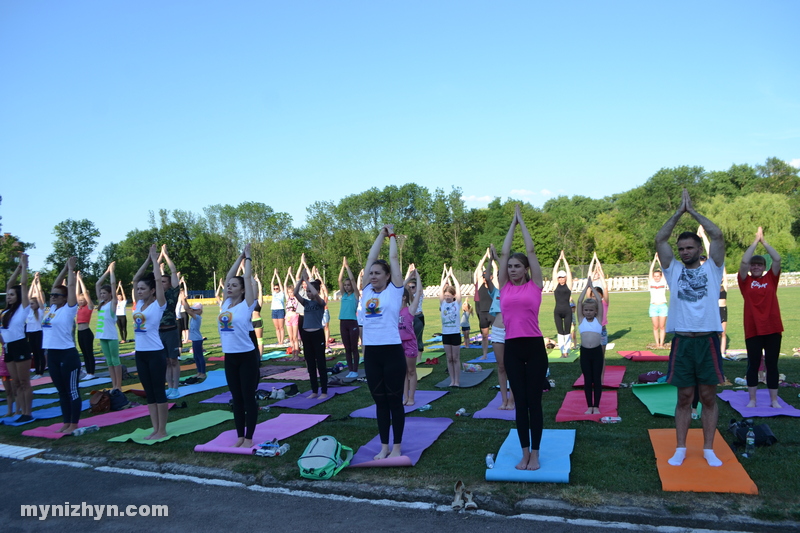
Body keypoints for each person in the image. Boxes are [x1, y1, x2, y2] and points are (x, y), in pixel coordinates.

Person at [655, 188, 725, 468]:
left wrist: (693, 211)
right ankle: (681, 447)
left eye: (689, 248)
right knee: (684, 397)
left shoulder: (713, 268)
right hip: (683, 342)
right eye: (681, 248)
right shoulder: (672, 269)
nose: (684, 252)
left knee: (708, 396)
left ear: (699, 249)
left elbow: (718, 235)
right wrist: (678, 213)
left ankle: (708, 448)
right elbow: (660, 238)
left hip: (706, 340)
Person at [499, 205, 547, 471]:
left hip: (534, 345)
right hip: (513, 347)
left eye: (517, 266)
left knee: (534, 402)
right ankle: (524, 453)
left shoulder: (535, 285)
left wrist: (522, 222)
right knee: (520, 403)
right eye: (510, 267)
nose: (513, 269)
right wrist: (511, 226)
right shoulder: (504, 287)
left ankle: (536, 453)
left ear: (526, 269)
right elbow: (504, 252)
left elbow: (530, 251)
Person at [361, 224, 405, 460]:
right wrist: (380, 234)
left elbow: (393, 257)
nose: (373, 276)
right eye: (371, 273)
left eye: (378, 273)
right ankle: (384, 446)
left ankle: (397, 445)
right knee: (379, 402)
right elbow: (371, 257)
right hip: (372, 354)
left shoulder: (395, 290)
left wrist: (392, 237)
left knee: (394, 400)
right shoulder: (366, 291)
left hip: (392, 352)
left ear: (388, 276)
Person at [739, 227, 783, 409]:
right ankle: (753, 400)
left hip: (773, 328)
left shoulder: (771, 279)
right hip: (753, 329)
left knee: (772, 365)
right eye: (753, 264)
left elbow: (777, 259)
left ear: (764, 268)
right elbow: (742, 261)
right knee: (753, 364)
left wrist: (764, 242)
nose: (755, 266)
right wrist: (755, 242)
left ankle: (774, 401)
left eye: (759, 265)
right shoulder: (744, 281)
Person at [219, 245, 259, 447]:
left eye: (234, 286)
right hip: (230, 357)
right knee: (236, 398)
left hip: (247, 357)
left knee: (248, 397)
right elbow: (229, 275)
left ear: (243, 290)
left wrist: (248, 259)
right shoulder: (225, 304)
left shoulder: (247, 304)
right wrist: (239, 257)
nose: (229, 287)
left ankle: (249, 437)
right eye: (229, 285)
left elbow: (248, 276)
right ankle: (240, 436)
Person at [132, 245, 169, 440]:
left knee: (158, 391)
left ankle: (162, 429)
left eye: (142, 289)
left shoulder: (159, 304)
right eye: (138, 289)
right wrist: (147, 259)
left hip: (155, 353)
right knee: (149, 393)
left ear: (153, 290)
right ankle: (154, 428)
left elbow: (156, 279)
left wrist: (155, 261)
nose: (138, 290)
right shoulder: (138, 304)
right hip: (141, 353)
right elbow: (136, 279)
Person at [42, 257, 82, 432]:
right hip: (52, 354)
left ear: (65, 298)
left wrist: (71, 270)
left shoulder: (69, 308)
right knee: (61, 391)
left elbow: (71, 287)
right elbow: (55, 285)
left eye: (56, 295)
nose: (52, 297)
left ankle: (73, 423)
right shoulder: (51, 310)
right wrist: (64, 268)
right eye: (51, 295)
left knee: (72, 390)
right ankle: (66, 422)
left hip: (67, 354)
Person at [2, 253, 33, 421]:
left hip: (20, 345)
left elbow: (23, 283)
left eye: (12, 295)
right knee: (15, 383)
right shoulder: (6, 311)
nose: (9, 296)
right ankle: (20, 411)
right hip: (8, 347)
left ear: (19, 297)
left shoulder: (23, 308)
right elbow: (9, 284)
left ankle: (27, 413)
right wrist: (18, 267)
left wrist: (24, 267)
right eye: (8, 295)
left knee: (24, 381)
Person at [295, 268, 328, 399]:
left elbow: (315, 293)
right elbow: (296, 293)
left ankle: (324, 391)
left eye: (310, 291)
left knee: (321, 363)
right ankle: (314, 390)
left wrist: (308, 281)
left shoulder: (320, 302)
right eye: (307, 292)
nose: (308, 293)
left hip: (317, 334)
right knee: (310, 364)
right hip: (306, 335)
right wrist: (301, 280)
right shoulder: (306, 303)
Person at [154, 245, 182, 399]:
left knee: (173, 360)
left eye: (165, 282)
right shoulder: (155, 295)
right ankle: (169, 387)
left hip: (170, 330)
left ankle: (176, 387)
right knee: (165, 361)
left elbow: (173, 271)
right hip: (159, 332)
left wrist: (165, 255)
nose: (162, 283)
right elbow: (155, 274)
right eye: (161, 281)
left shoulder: (173, 293)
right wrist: (157, 260)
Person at [488, 244, 513, 410]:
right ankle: (503, 399)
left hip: (512, 331)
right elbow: (487, 275)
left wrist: (499, 257)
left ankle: (512, 400)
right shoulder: (495, 291)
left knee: (513, 367)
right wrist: (491, 259)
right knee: (501, 366)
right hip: (497, 331)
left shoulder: (513, 289)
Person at [577, 277, 605, 415]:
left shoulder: (598, 320)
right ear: (583, 311)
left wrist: (592, 287)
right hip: (585, 353)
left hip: (596, 352)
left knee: (597, 380)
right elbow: (578, 301)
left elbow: (599, 301)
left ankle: (597, 406)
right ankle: (589, 406)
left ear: (595, 312)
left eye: (590, 310)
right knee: (587, 379)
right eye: (586, 310)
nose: (588, 312)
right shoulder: (581, 320)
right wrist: (585, 287)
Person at [95, 262, 122, 392]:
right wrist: (107, 271)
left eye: (104, 293)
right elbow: (97, 284)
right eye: (101, 293)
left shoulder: (112, 303)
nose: (102, 295)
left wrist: (112, 272)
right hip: (102, 336)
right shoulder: (101, 304)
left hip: (111, 336)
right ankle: (114, 385)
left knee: (115, 361)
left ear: (110, 294)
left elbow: (113, 285)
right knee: (109, 362)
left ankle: (118, 386)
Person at [400, 266, 422, 406]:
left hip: (410, 344)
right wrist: (408, 277)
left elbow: (418, 292)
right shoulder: (394, 309)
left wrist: (417, 276)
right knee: (402, 373)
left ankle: (411, 397)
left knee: (411, 371)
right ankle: (405, 397)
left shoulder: (410, 309)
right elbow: (398, 288)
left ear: (404, 298)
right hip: (397, 343)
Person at [439, 265, 463, 387]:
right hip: (446, 334)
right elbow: (440, 290)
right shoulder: (442, 304)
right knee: (449, 358)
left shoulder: (457, 304)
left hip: (455, 333)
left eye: (449, 295)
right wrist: (446, 276)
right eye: (446, 295)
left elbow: (458, 289)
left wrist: (452, 276)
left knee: (455, 357)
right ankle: (451, 380)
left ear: (453, 296)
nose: (447, 297)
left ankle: (457, 381)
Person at [338, 257, 360, 379]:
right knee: (347, 348)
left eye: (348, 285)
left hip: (352, 322)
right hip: (343, 322)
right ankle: (350, 369)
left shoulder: (355, 295)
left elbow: (351, 278)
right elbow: (339, 280)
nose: (346, 287)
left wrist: (347, 267)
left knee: (354, 347)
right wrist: (342, 267)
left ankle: (355, 370)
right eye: (345, 285)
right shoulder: (344, 295)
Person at [473, 249, 494, 360]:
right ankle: (485, 354)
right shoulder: (480, 284)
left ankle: (498, 353)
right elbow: (478, 271)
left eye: (487, 275)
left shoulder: (494, 285)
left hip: (493, 313)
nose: (484, 277)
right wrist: (485, 256)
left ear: (491, 277)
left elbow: (495, 270)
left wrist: (491, 259)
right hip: (482, 313)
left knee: (496, 336)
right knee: (484, 336)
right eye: (483, 275)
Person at [552, 250, 573, 357]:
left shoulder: (568, 285)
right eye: (559, 277)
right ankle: (562, 351)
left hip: (567, 311)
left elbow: (569, 272)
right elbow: (554, 272)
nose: (561, 279)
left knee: (567, 332)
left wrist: (564, 259)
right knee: (560, 333)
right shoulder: (556, 285)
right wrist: (558, 260)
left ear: (565, 278)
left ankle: (567, 352)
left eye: (563, 277)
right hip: (557, 311)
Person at [75, 271, 96, 380]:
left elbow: (85, 294)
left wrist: (80, 280)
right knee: (84, 353)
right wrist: (77, 280)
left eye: (82, 300)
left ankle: (91, 373)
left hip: (87, 332)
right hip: (79, 332)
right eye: (79, 300)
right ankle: (88, 372)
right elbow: (77, 294)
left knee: (89, 353)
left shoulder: (89, 306)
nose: (80, 301)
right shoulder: (79, 308)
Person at [27, 272, 46, 379]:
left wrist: (38, 282)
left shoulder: (40, 310)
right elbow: (29, 296)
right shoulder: (28, 311)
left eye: (32, 304)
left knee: (40, 353)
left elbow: (39, 296)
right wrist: (33, 282)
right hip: (31, 333)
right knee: (34, 353)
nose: (31, 305)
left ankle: (40, 372)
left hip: (39, 333)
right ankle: (37, 371)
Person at [648, 253, 668, 349]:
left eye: (658, 276)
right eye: (655, 276)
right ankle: (657, 343)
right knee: (655, 326)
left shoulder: (663, 282)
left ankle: (661, 343)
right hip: (653, 307)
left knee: (662, 326)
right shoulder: (651, 282)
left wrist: (659, 260)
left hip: (663, 306)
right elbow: (651, 270)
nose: (656, 277)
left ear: (660, 276)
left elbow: (663, 270)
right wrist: (653, 260)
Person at [183, 296, 206, 380]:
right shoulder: (194, 317)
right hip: (194, 339)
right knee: (196, 357)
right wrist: (185, 300)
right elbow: (188, 309)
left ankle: (203, 373)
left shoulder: (197, 317)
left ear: (200, 311)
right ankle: (199, 372)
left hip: (198, 340)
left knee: (199, 356)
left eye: (195, 310)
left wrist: (183, 300)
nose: (193, 311)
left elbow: (187, 310)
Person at [270, 269, 287, 346]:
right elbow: (271, 283)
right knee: (276, 327)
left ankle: (282, 341)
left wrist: (277, 275)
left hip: (280, 310)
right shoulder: (273, 293)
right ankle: (279, 340)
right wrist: (274, 275)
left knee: (281, 327)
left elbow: (280, 283)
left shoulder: (281, 294)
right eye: (274, 288)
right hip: (274, 310)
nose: (275, 289)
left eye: (277, 288)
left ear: (279, 288)